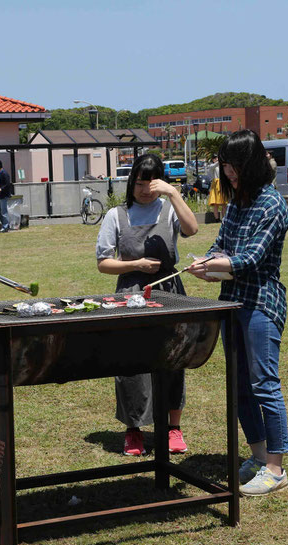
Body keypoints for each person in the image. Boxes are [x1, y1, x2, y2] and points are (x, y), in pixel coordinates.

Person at [187, 130, 288, 497]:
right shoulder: (236, 203)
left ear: (250, 165)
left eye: (233, 166)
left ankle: (276, 467)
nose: (228, 173)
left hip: (261, 303)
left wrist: (218, 264)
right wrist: (204, 261)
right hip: (232, 302)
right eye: (224, 165)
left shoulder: (272, 205)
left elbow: (252, 258)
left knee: (264, 383)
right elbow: (222, 245)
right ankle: (258, 456)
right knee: (239, 386)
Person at [96, 154, 198, 456]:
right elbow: (103, 263)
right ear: (132, 183)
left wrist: (174, 193)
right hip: (130, 292)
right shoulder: (117, 214)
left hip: (169, 292)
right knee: (132, 361)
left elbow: (192, 229)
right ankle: (134, 431)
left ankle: (173, 428)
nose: (145, 190)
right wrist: (136, 264)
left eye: (151, 184)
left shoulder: (168, 209)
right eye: (140, 184)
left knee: (173, 358)